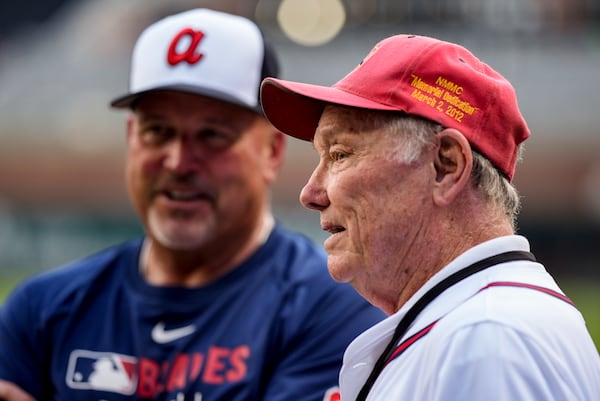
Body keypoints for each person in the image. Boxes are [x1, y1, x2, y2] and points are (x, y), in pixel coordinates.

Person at [0, 8, 385, 401]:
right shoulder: (43, 309)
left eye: (212, 135)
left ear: (271, 150)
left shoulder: (332, 309)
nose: (179, 161)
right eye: (158, 131)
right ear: (131, 137)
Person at [260, 34, 600, 401]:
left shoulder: (484, 338)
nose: (310, 193)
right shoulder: (476, 324)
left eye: (340, 154)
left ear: (445, 166)